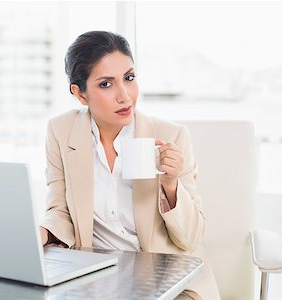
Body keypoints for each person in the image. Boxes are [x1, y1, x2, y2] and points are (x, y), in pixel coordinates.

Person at [39, 31, 220, 300]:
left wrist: (171, 185)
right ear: (80, 94)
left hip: (166, 279)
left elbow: (190, 239)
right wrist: (39, 234)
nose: (125, 96)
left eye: (129, 78)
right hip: (96, 278)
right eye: (105, 84)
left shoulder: (171, 135)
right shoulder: (61, 131)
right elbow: (59, 210)